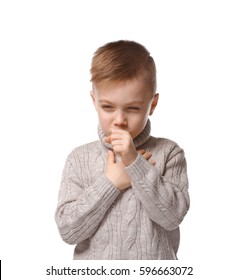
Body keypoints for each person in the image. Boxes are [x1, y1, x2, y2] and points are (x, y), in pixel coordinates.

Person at [55, 40, 190, 260]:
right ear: (94, 101)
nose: (119, 120)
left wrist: (134, 163)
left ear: (152, 105)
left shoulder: (169, 152)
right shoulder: (79, 158)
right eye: (107, 107)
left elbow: (172, 217)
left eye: (133, 109)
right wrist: (112, 182)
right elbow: (68, 231)